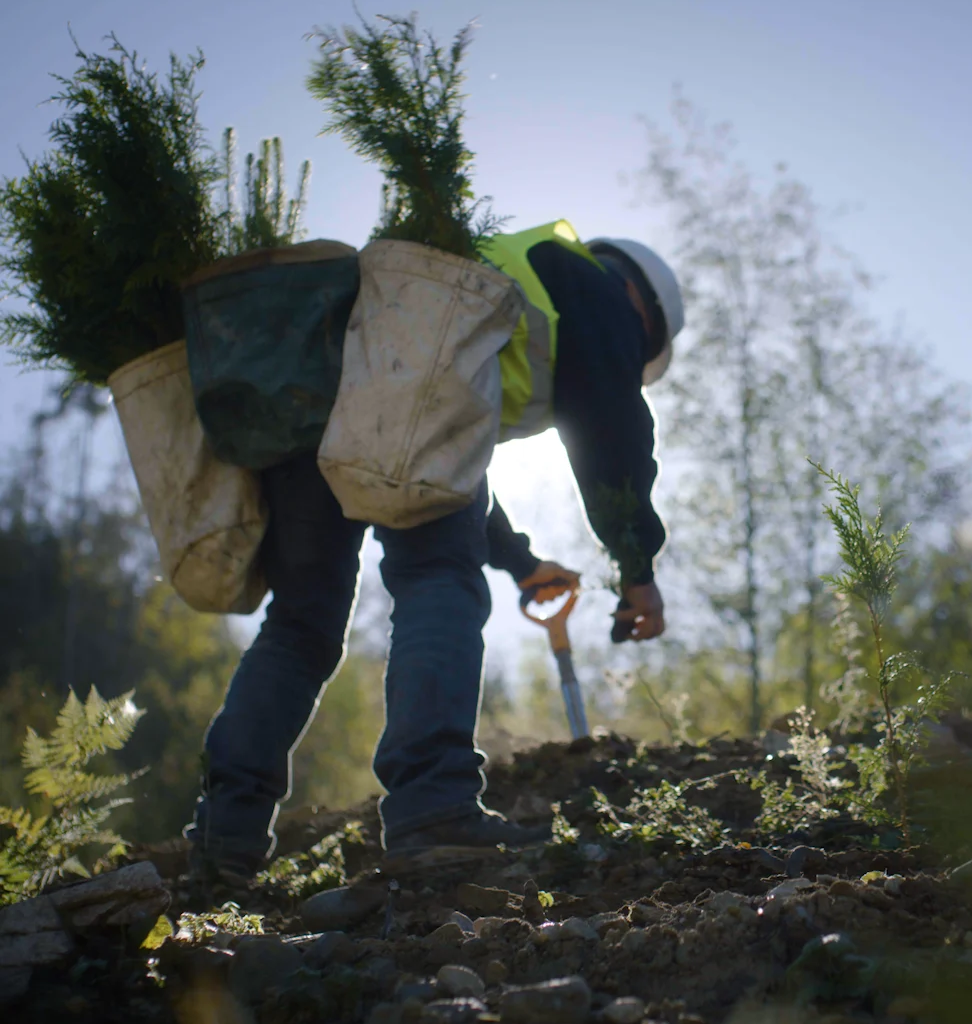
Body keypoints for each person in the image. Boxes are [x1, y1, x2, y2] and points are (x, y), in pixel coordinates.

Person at [186, 220, 683, 884]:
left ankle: (226, 836)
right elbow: (612, 430)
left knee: (302, 622)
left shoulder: (525, 267)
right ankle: (433, 807)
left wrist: (519, 563)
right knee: (439, 578)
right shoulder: (594, 289)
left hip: (314, 403)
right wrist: (638, 568)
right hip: (399, 403)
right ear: (638, 296)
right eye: (642, 344)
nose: (632, 356)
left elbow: (454, 465)